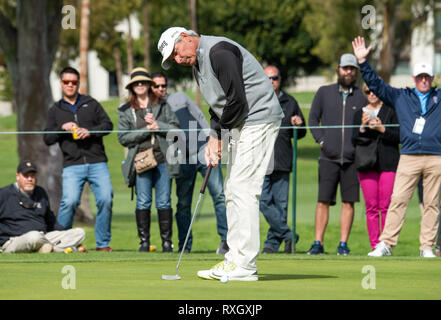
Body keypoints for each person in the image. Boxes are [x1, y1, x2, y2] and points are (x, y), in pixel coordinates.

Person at [158, 27, 283, 281]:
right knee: (232, 188)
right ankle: (234, 258)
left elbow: (237, 99)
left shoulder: (219, 52)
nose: (178, 60)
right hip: (241, 123)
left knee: (242, 188)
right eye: (173, 59)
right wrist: (212, 139)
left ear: (185, 37)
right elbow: (219, 107)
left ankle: (245, 265)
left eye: (177, 52)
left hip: (258, 118)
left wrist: (217, 137)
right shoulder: (198, 65)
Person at [353, 36, 441, 258]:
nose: (423, 80)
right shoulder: (402, 96)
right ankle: (386, 244)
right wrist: (363, 62)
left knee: (432, 204)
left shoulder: (439, 97)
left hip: (436, 157)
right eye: (420, 77)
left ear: (432, 78)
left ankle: (427, 247)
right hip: (409, 155)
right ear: (414, 78)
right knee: (398, 199)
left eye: (427, 77)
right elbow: (376, 85)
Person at [149, 72, 229, 254]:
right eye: (157, 86)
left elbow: (200, 116)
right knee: (184, 203)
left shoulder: (179, 97)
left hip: (203, 150)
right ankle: (185, 245)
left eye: (164, 85)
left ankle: (226, 241)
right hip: (181, 158)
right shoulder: (152, 110)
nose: (161, 89)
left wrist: (212, 138)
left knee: (219, 195)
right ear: (150, 88)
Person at [43, 67, 114, 252]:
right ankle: (61, 243)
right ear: (61, 83)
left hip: (97, 161)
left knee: (106, 199)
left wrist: (90, 131)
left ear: (78, 83)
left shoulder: (91, 103)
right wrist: (62, 127)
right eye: (66, 82)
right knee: (70, 201)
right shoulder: (55, 109)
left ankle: (103, 244)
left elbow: (108, 125)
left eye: (74, 82)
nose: (70, 85)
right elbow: (47, 138)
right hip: (72, 164)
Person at [308, 53, 367, 256]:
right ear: (338, 69)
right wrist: (322, 141)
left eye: (352, 69)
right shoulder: (324, 92)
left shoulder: (361, 96)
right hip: (328, 157)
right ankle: (318, 243)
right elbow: (313, 120)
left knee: (348, 202)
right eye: (345, 68)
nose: (348, 72)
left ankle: (343, 244)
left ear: (356, 72)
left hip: (352, 158)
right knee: (323, 200)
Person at [117, 67, 181, 253]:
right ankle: (144, 242)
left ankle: (167, 243)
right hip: (141, 161)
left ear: (148, 85)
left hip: (162, 159)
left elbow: (175, 129)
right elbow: (123, 137)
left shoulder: (162, 105)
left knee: (164, 202)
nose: (140, 85)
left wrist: (158, 125)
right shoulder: (126, 110)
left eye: (143, 82)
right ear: (131, 87)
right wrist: (146, 129)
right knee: (143, 202)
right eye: (136, 83)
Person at [260, 65, 306, 254]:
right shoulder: (256, 100)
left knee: (281, 206)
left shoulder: (290, 102)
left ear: (280, 80)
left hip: (282, 159)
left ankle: (271, 244)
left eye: (275, 78)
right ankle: (288, 235)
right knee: (262, 201)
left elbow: (302, 132)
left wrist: (299, 124)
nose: (271, 81)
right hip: (261, 160)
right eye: (268, 78)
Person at [0, 160, 86, 253]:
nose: (30, 179)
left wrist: (65, 235)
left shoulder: (40, 192)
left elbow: (51, 221)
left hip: (43, 236)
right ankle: (59, 248)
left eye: (32, 176)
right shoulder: (4, 194)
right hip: (16, 240)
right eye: (26, 176)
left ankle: (45, 249)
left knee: (79, 233)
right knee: (34, 237)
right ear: (18, 176)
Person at [352, 84, 400, 250]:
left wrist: (382, 129)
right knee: (371, 207)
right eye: (367, 91)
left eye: (374, 90)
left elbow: (399, 136)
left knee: (386, 206)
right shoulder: (359, 113)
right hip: (366, 164)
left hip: (388, 163)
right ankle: (375, 245)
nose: (371, 94)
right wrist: (363, 127)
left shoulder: (391, 110)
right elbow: (354, 140)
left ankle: (386, 244)